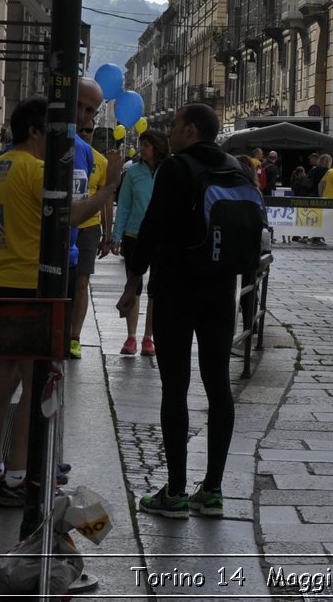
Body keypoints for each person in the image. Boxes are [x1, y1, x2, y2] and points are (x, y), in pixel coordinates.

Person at [0, 97, 122, 507]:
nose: (57, 142)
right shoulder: (36, 170)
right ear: (36, 132)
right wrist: (108, 187)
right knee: (37, 386)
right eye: (52, 133)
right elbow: (70, 216)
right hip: (29, 289)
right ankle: (20, 479)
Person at [119, 103, 251, 519]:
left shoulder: (175, 168)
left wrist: (133, 279)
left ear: (190, 130)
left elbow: (152, 228)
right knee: (218, 387)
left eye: (174, 124)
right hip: (220, 291)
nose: (170, 130)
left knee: (175, 388)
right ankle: (212, 490)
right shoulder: (237, 167)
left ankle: (175, 491)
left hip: (177, 289)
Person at [113, 129, 168, 356]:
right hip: (134, 236)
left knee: (155, 289)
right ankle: (131, 336)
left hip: (162, 237)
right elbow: (124, 205)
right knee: (133, 286)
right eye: (141, 143)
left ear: (156, 146)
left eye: (146, 144)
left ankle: (149, 337)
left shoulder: (168, 170)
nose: (141, 147)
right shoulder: (133, 173)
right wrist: (116, 235)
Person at [68, 78, 111, 360]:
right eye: (79, 109)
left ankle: (74, 336)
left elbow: (105, 199)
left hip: (87, 228)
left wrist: (108, 233)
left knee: (81, 283)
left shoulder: (99, 160)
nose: (83, 126)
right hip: (63, 227)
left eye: (89, 122)